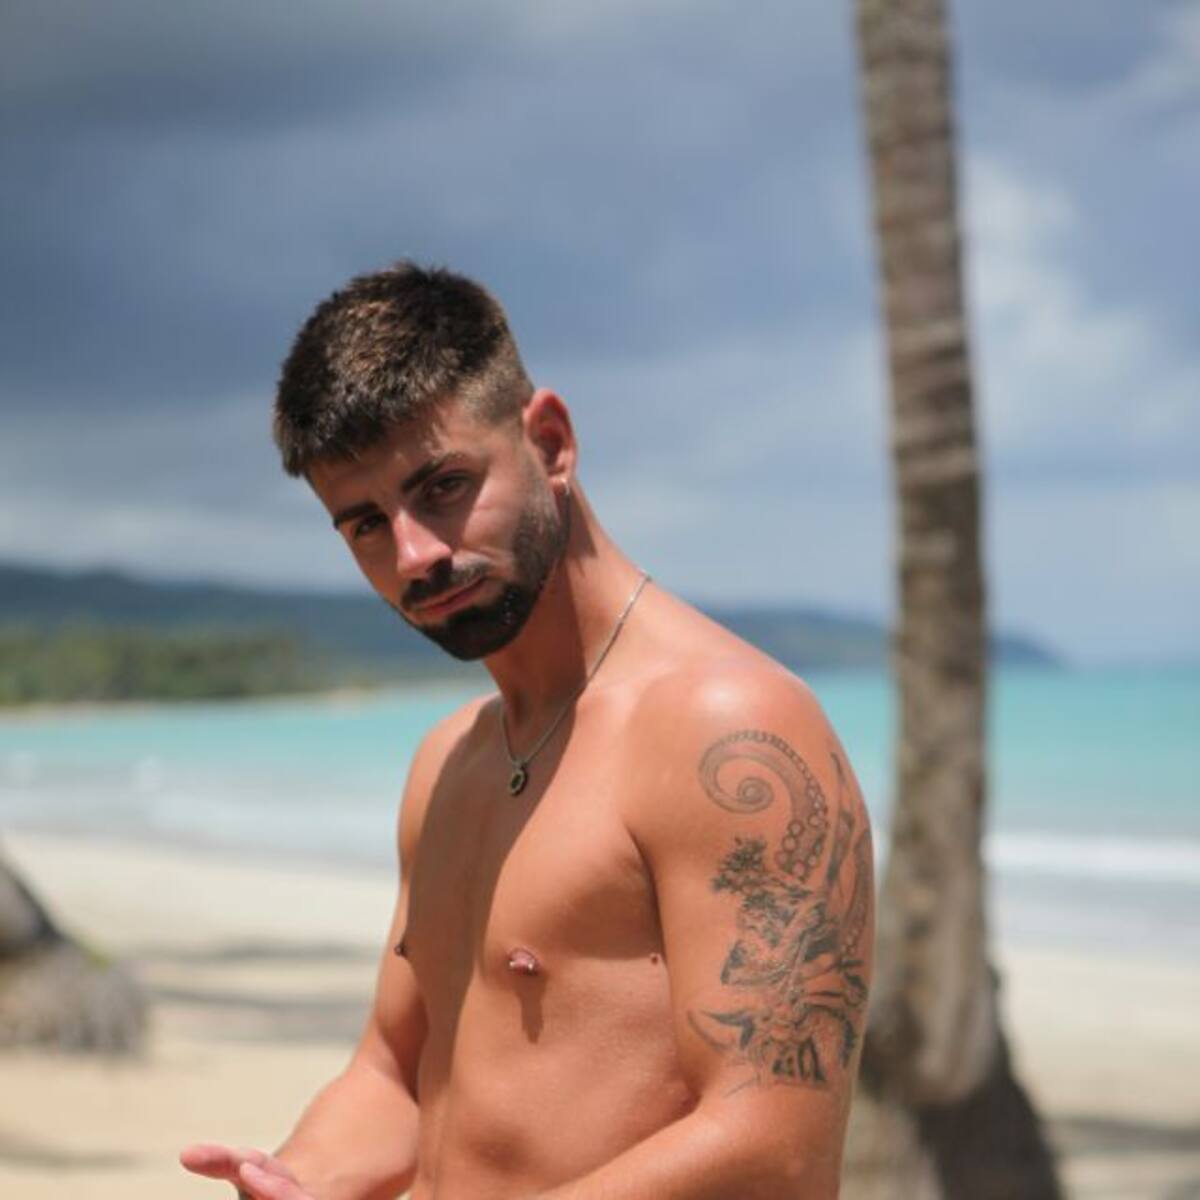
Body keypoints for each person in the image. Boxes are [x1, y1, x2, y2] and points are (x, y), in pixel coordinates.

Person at [180, 262, 874, 1200]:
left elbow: (774, 1146)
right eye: (366, 526)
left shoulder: (725, 729)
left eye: (444, 486)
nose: (415, 555)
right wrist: (293, 1180)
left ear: (550, 442)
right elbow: (392, 1079)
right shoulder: (448, 765)